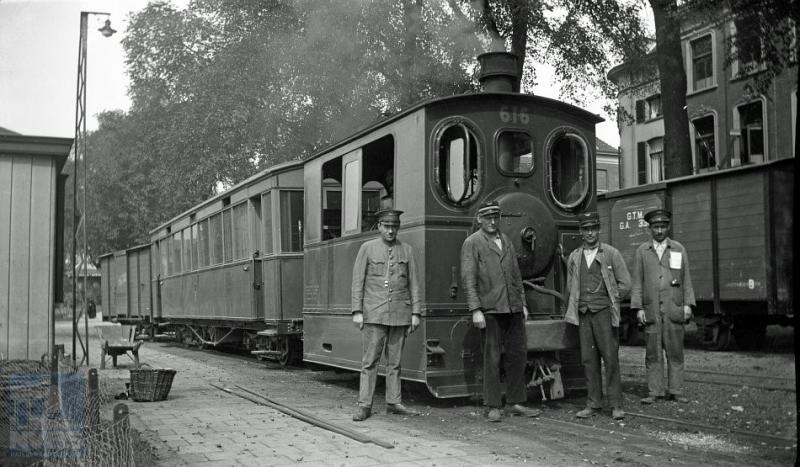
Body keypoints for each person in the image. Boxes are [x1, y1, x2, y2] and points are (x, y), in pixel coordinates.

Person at [460, 200, 541, 422]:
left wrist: (522, 304)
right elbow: (468, 278)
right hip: (490, 309)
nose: (493, 222)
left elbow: (515, 275)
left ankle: (515, 402)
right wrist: (475, 309)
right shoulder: (472, 243)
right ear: (479, 219)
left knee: (517, 356)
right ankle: (493, 405)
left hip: (512, 307)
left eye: (496, 217)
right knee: (492, 358)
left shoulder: (506, 240)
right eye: (488, 218)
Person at [351, 209, 421, 421]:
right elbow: (358, 281)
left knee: (395, 362)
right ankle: (365, 405)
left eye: (394, 227)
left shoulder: (406, 250)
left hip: (400, 313)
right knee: (370, 361)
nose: (391, 231)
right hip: (375, 313)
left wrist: (416, 312)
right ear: (379, 226)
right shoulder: (367, 248)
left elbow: (414, 283)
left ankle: (394, 401)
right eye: (387, 226)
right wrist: (357, 311)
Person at [564, 212, 631, 420]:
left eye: (593, 228)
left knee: (610, 359)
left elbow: (626, 284)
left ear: (598, 229)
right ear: (581, 232)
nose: (590, 232)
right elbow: (570, 286)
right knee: (588, 360)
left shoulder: (611, 254)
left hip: (604, 315)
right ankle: (593, 404)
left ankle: (616, 405)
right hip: (583, 315)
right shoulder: (575, 257)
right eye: (586, 229)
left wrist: (611, 298)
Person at [630, 209, 695, 405]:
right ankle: (655, 391)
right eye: (656, 227)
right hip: (651, 311)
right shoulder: (642, 251)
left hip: (673, 309)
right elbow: (637, 282)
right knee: (653, 353)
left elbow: (686, 279)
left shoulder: (678, 249)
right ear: (650, 229)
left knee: (675, 352)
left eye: (663, 226)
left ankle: (676, 390)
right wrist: (639, 308)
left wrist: (687, 304)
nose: (659, 230)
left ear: (668, 227)